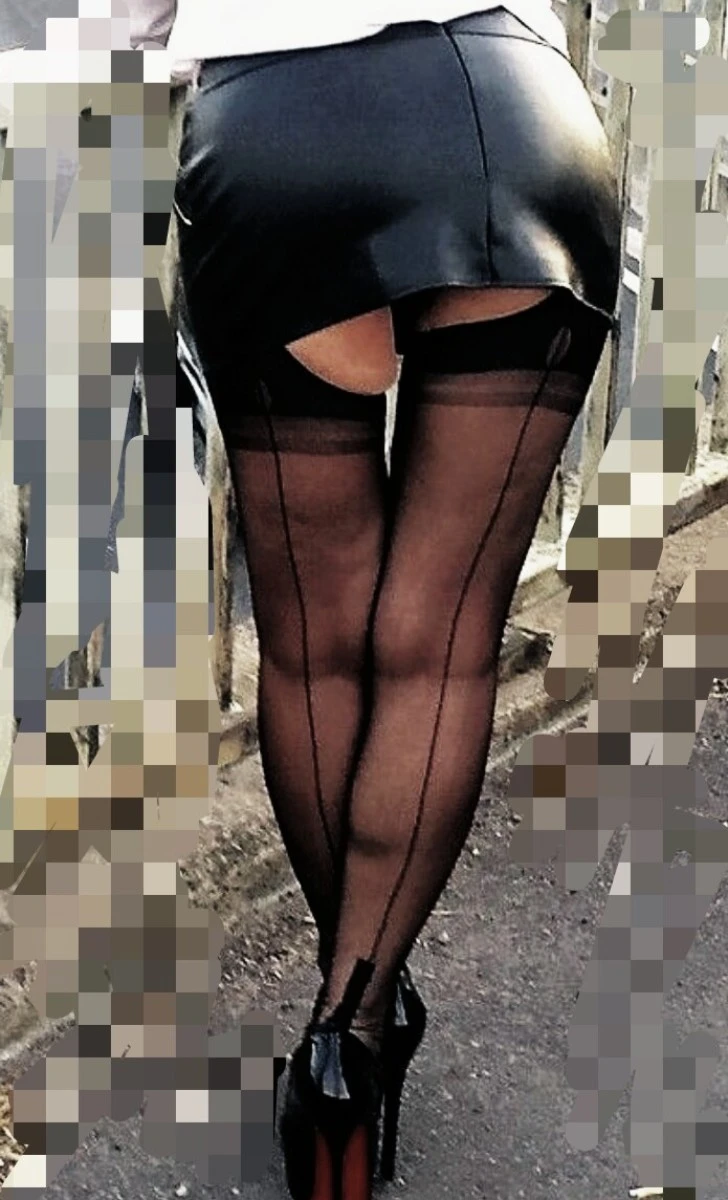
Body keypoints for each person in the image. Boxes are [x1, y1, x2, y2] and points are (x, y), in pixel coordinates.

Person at [129, 2, 622, 1197]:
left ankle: (347, 1037)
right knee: (439, 641)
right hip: (519, 110)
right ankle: (351, 1027)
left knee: (314, 645)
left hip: (287, 128)